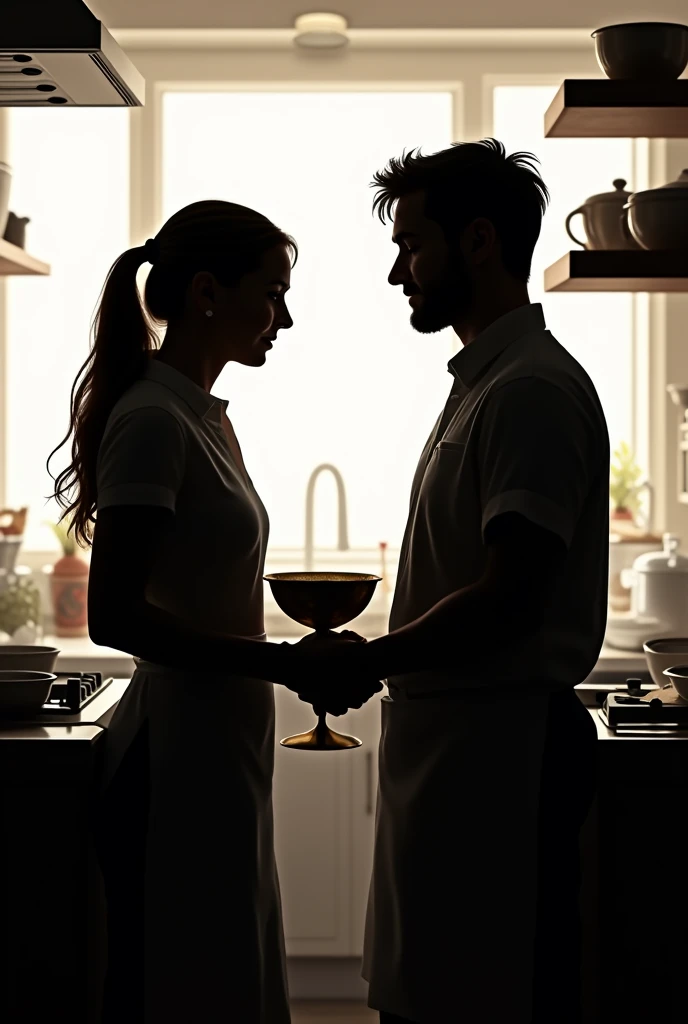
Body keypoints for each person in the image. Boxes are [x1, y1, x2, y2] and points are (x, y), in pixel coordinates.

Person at [47, 199, 381, 1024]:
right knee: (184, 985)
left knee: (225, 970)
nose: (286, 316)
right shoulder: (154, 422)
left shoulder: (199, 417)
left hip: (218, 745)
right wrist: (279, 660)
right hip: (173, 756)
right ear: (206, 291)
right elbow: (114, 616)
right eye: (272, 292)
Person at [303, 140, 606, 1022]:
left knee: (484, 998)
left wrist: (370, 658)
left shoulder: (531, 393)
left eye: (412, 246)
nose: (400, 272)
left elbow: (513, 596)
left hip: (501, 759)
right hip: (459, 754)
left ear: (477, 242)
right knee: (429, 994)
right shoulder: (486, 385)